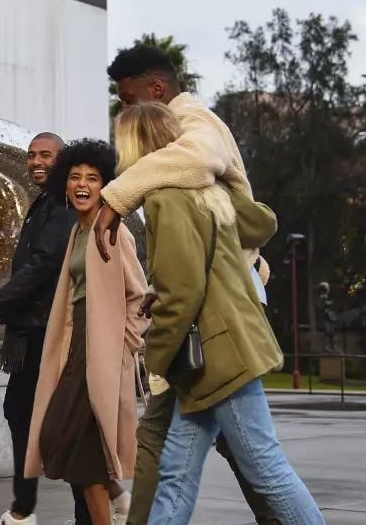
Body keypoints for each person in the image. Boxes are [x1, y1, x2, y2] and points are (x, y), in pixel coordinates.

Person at [97, 46, 280, 525]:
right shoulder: (178, 135)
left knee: (253, 459)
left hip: (221, 302)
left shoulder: (193, 120)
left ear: (156, 88)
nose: (124, 108)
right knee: (175, 444)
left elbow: (199, 161)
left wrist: (115, 198)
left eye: (128, 98)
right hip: (217, 295)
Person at [118, 103, 322, 524]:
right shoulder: (207, 190)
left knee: (266, 469)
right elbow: (257, 225)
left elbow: (184, 291)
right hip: (222, 350)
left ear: (134, 145)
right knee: (175, 475)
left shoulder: (165, 198)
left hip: (219, 358)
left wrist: (155, 358)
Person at [0, 132, 97, 525]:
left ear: (63, 161)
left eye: (46, 155)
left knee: (59, 422)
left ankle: (43, 510)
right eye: (31, 155)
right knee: (25, 414)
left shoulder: (63, 204)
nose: (36, 161)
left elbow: (44, 263)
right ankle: (25, 508)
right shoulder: (45, 202)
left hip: (49, 332)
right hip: (32, 330)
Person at [23, 139, 149, 525]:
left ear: (105, 186)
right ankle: (116, 503)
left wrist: (124, 346)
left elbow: (140, 296)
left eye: (92, 178)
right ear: (64, 183)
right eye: (75, 177)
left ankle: (111, 510)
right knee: (58, 436)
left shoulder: (113, 231)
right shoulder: (79, 232)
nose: (82, 184)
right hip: (75, 345)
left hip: (102, 348)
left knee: (82, 447)